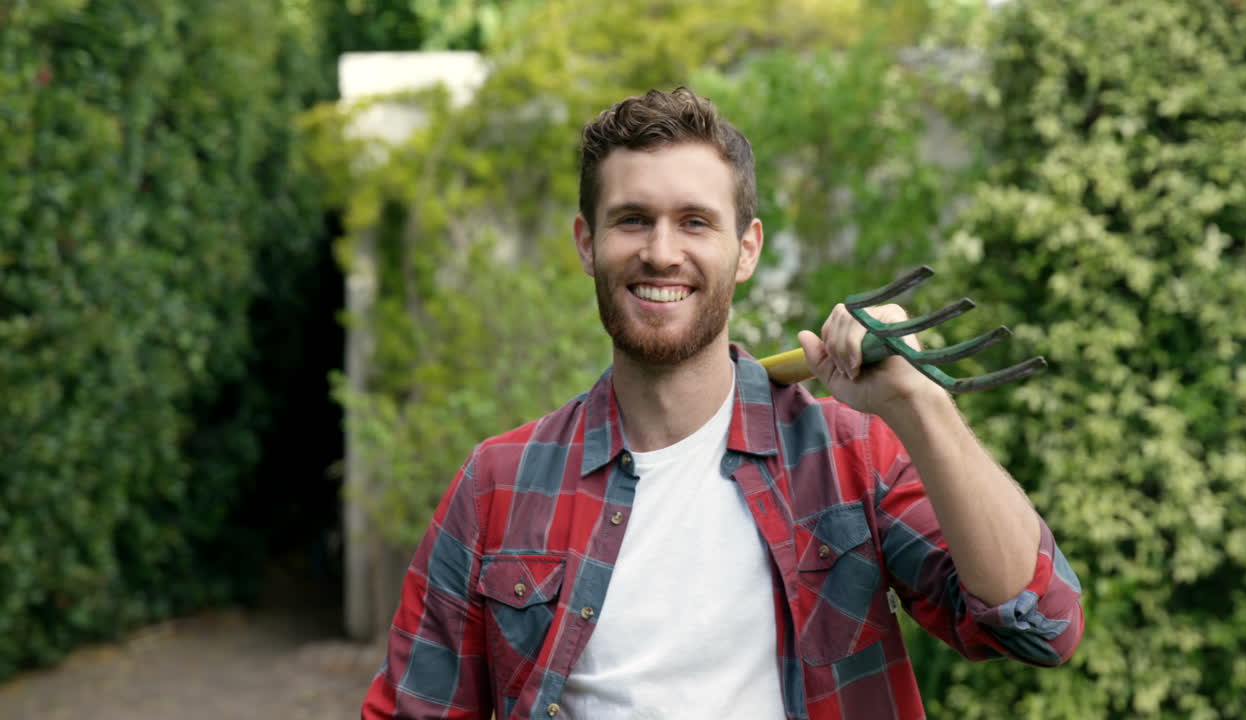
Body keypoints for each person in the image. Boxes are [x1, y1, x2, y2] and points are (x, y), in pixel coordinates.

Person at [361, 87, 1083, 720]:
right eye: (632, 219)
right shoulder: (498, 487)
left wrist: (919, 405)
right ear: (586, 243)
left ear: (747, 249)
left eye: (695, 222)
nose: (661, 252)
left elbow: (1040, 624)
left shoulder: (846, 456)